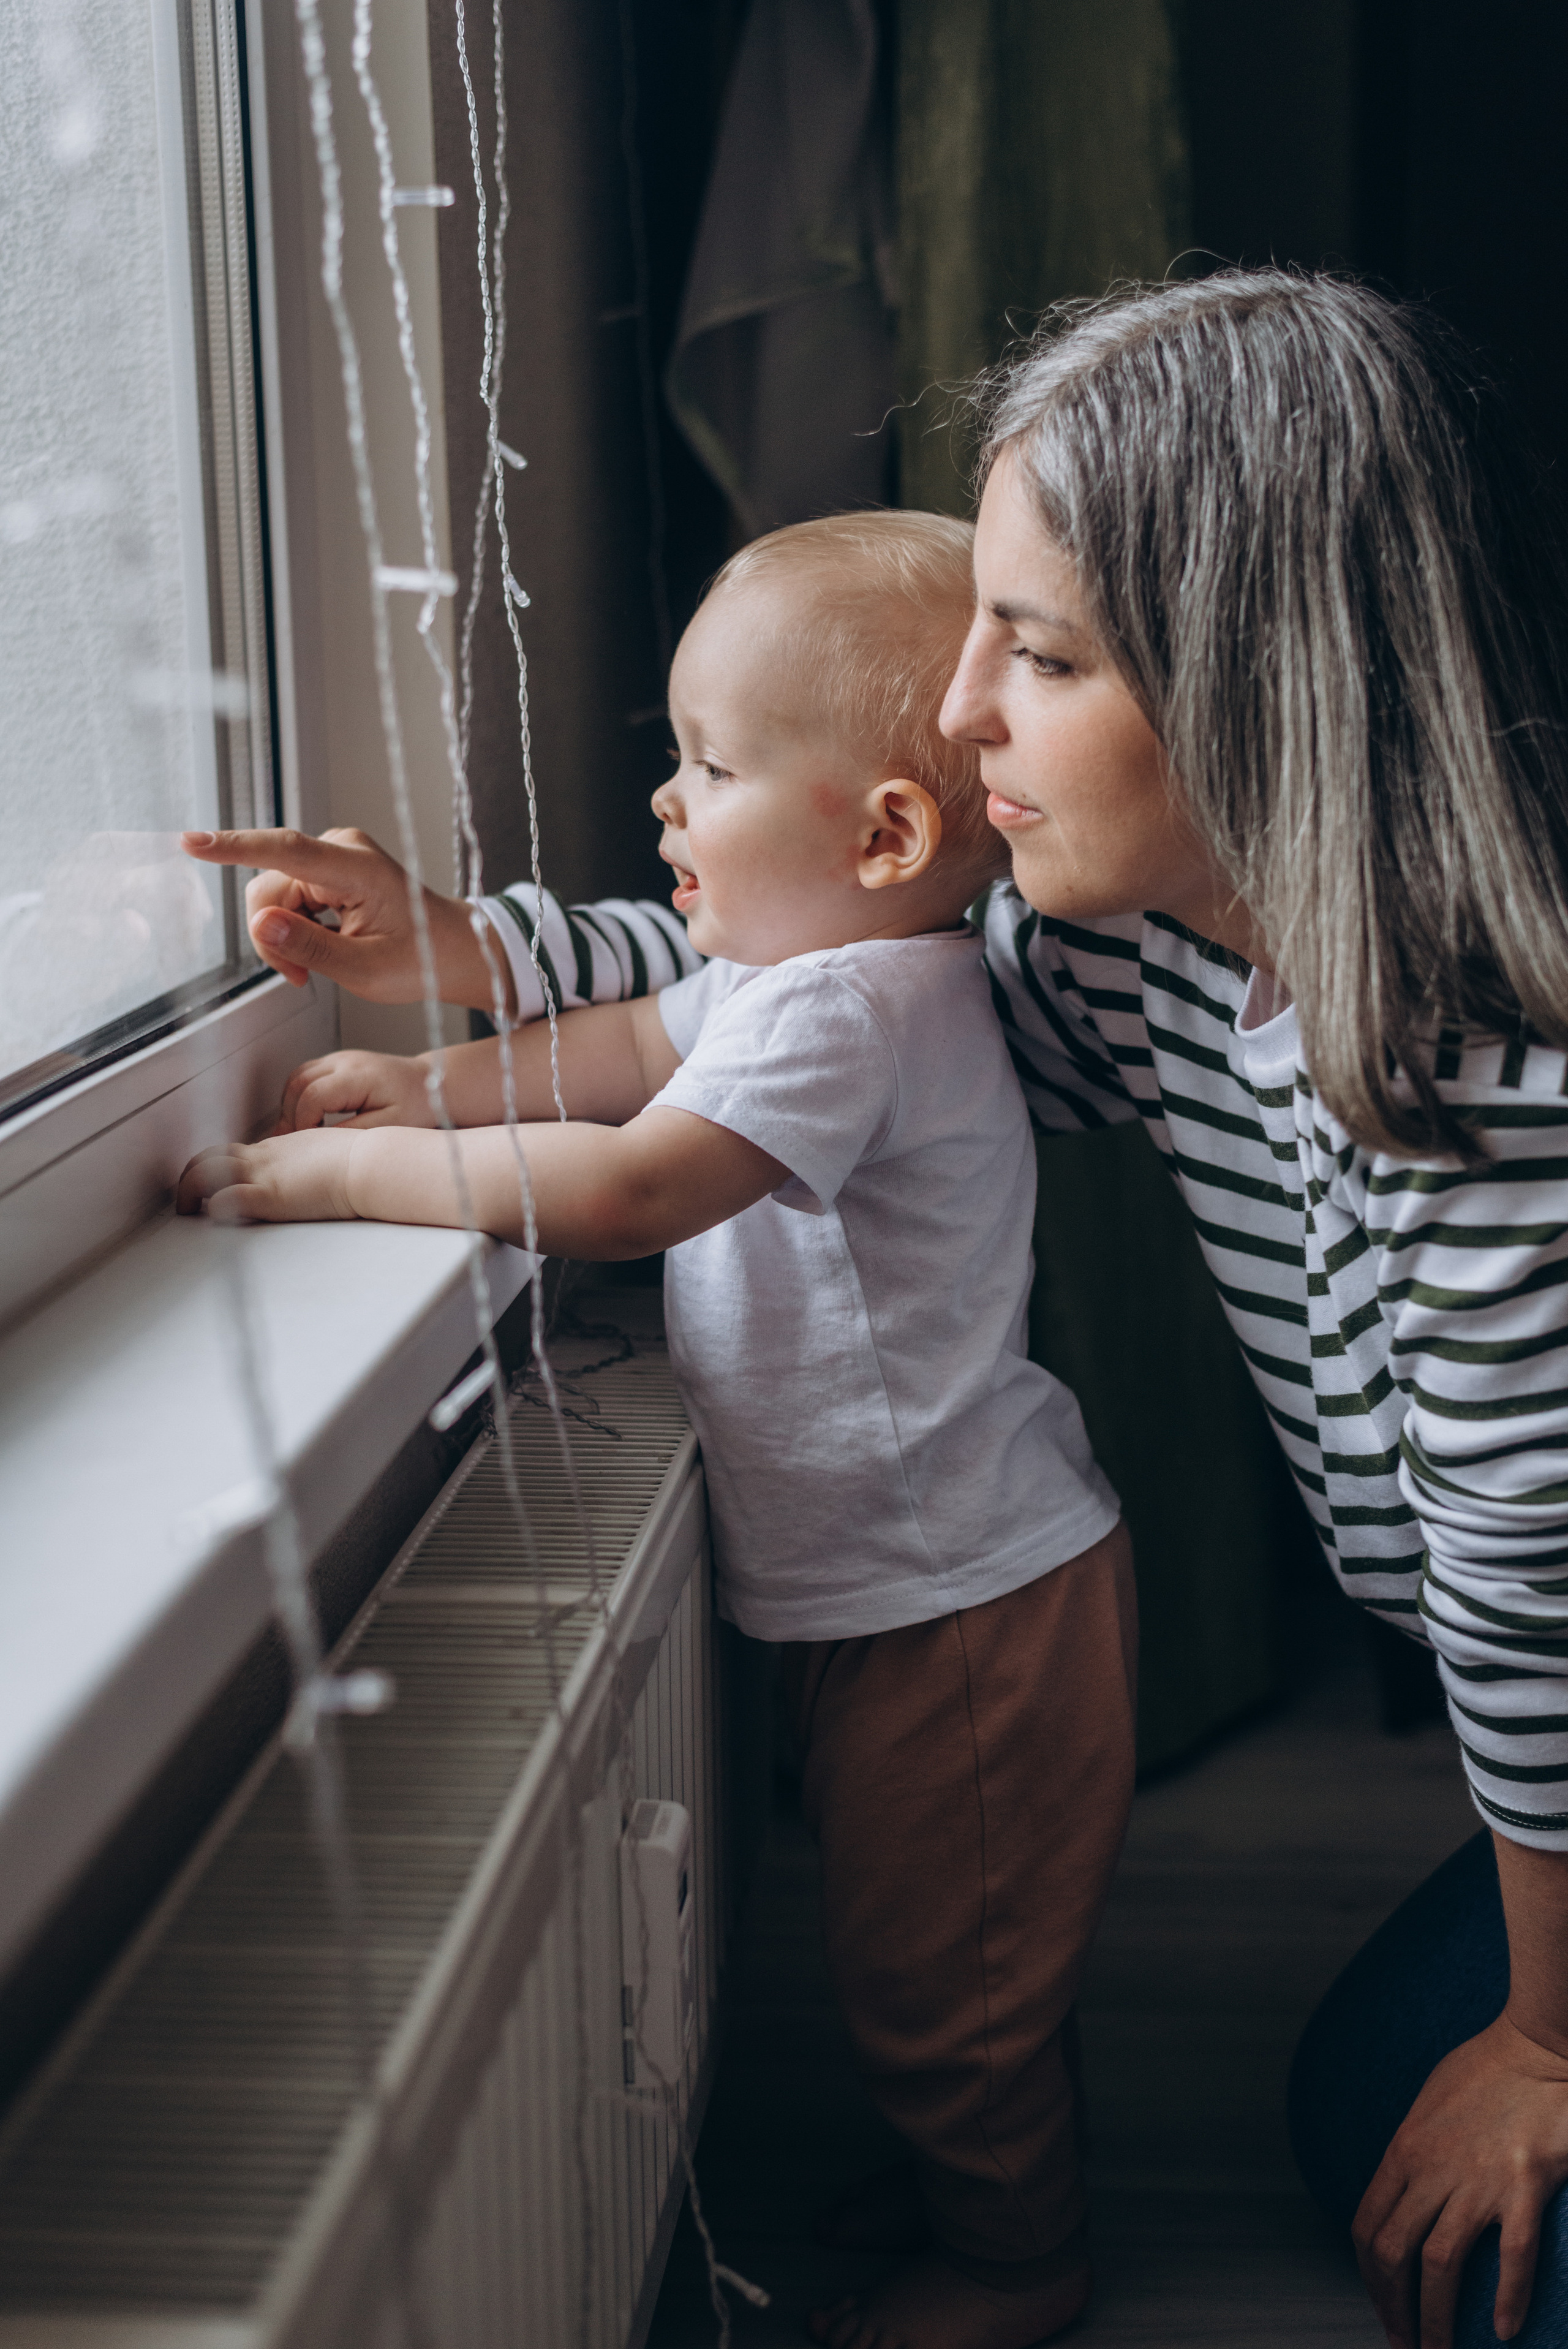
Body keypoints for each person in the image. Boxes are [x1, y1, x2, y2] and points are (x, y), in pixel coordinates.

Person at [181, 269, 1568, 2349]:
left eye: (1046, 651)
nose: (959, 713)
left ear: (1262, 682)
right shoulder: (1150, 963)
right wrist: (456, 951)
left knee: (1486, 2259)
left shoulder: (1493, 1098)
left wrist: (1547, 2045)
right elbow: (771, 992)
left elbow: (1531, 1609)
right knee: (1350, 2113)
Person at [180, 513, 1137, 2349]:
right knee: (949, 1949)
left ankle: (1025, 2258)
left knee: (950, 1970)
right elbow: (617, 1053)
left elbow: (630, 1183)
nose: (667, 799)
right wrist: (431, 1070)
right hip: (922, 1579)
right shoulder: (798, 980)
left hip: (961, 1602)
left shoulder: (858, 1004)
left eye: (710, 764)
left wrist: (352, 1165)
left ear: (883, 837)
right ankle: (978, 2176)